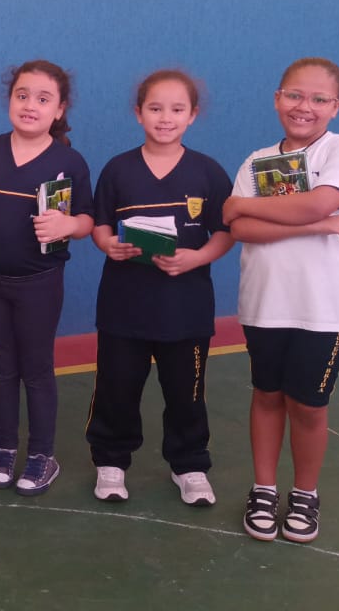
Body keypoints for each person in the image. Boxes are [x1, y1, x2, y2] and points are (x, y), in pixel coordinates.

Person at [222, 57, 339, 544]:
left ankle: (305, 493)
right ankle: (264, 489)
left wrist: (247, 205)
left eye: (319, 99)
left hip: (326, 308)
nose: (304, 106)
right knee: (267, 394)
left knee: (307, 403)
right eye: (294, 95)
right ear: (277, 98)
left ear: (336, 106)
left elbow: (319, 201)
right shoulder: (256, 161)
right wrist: (317, 226)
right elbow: (241, 229)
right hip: (265, 302)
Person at [0, 60, 93, 495]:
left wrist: (68, 225)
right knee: (2, 366)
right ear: (9, 99)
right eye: (22, 95)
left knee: (36, 368)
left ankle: (42, 454)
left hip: (39, 282)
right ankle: (5, 447)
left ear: (59, 110)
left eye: (43, 99)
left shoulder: (69, 162)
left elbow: (87, 219)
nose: (30, 105)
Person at [85, 70, 234, 506]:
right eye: (155, 108)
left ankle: (189, 465)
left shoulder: (208, 172)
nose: (165, 118)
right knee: (116, 388)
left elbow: (226, 232)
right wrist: (107, 245)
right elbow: (99, 224)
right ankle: (111, 461)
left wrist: (196, 257)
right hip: (124, 307)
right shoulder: (118, 169)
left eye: (176, 109)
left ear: (193, 115)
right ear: (138, 114)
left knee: (187, 393)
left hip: (185, 309)